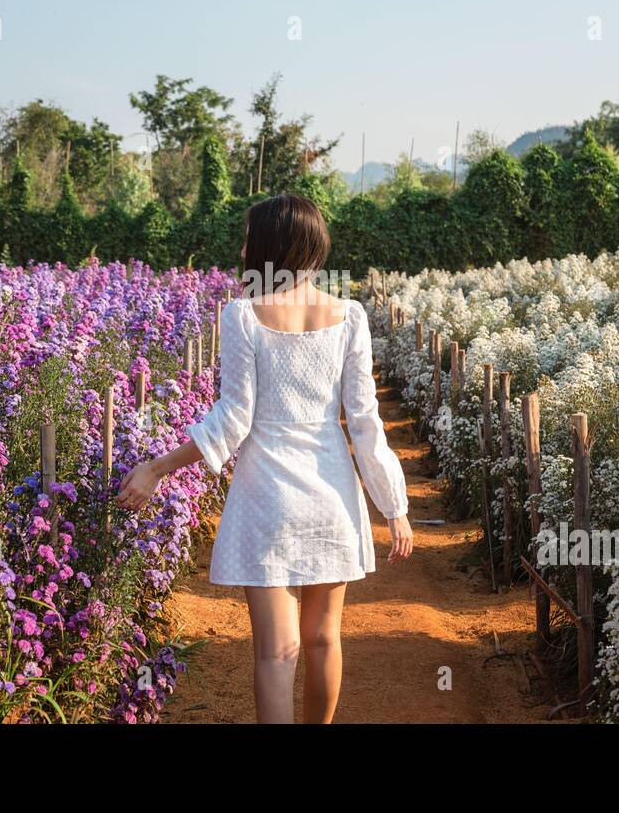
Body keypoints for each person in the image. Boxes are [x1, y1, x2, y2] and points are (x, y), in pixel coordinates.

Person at [117, 194, 413, 723]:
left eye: (250, 236)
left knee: (277, 653)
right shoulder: (350, 315)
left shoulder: (243, 314)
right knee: (324, 640)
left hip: (267, 497)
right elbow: (365, 423)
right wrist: (395, 507)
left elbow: (233, 419)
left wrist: (156, 468)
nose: (242, 246)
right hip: (331, 493)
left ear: (273, 245)